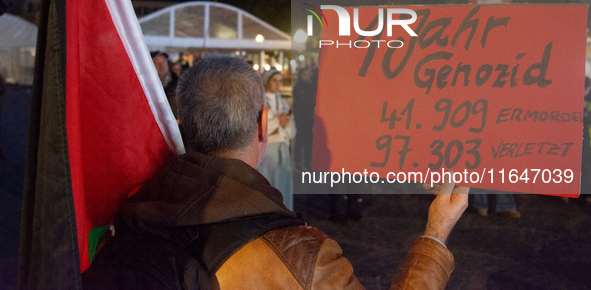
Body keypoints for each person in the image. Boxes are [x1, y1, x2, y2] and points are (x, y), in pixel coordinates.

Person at [82, 56, 469, 289]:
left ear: (182, 126)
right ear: (264, 125)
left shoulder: (125, 223)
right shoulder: (303, 257)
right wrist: (435, 234)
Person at [257, 67, 296, 210]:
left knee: (283, 184)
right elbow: (261, 128)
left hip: (282, 148)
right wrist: (278, 122)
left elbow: (292, 130)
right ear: (267, 81)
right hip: (268, 151)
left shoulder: (283, 102)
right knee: (269, 183)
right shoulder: (260, 102)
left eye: (280, 81)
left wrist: (283, 124)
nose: (278, 84)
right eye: (275, 81)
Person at [151, 50, 178, 117]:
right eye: (158, 63)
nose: (162, 66)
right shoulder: (149, 88)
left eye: (163, 62)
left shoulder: (178, 83)